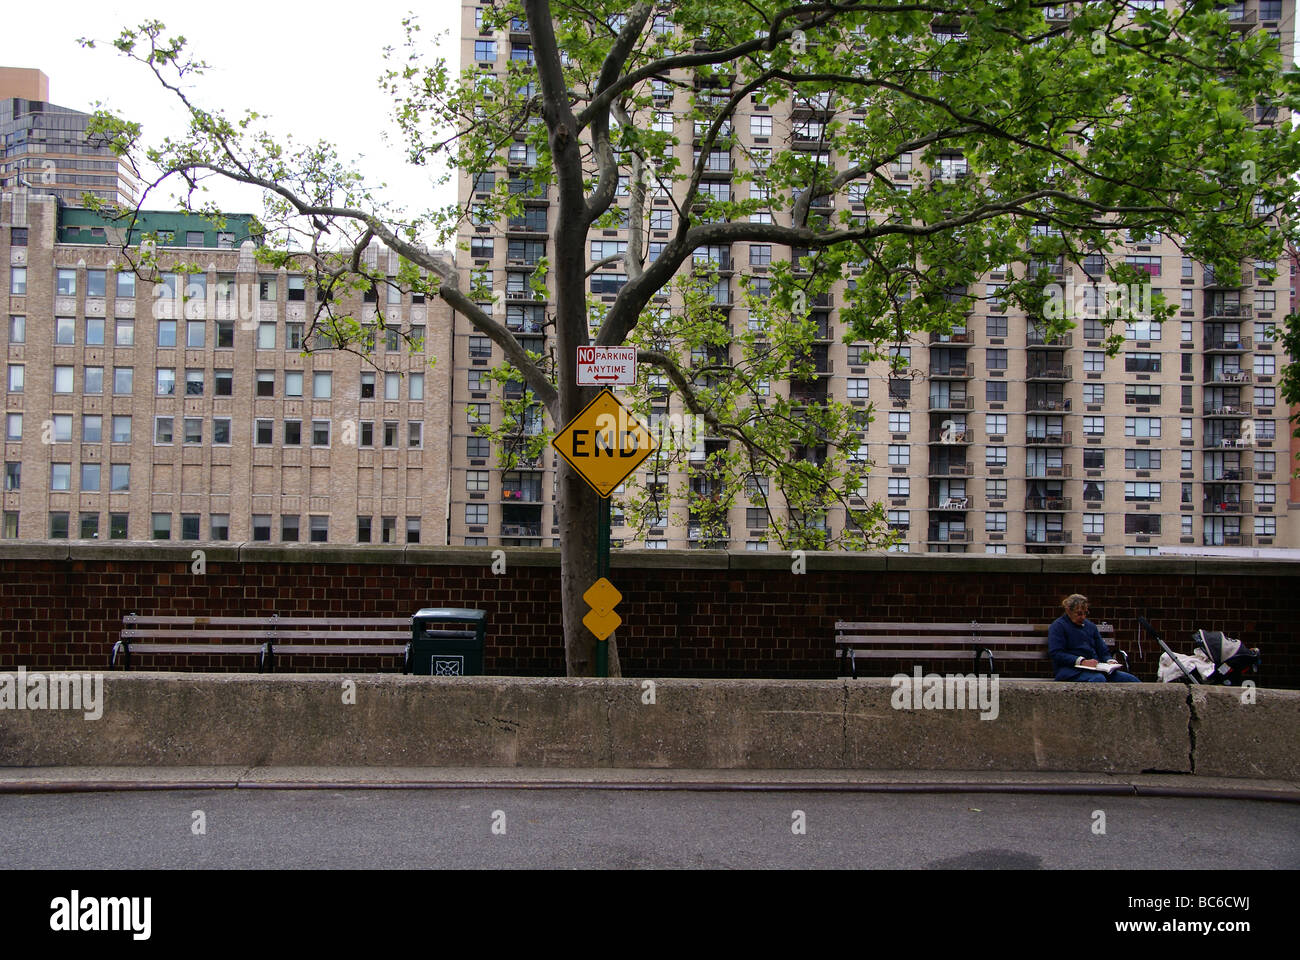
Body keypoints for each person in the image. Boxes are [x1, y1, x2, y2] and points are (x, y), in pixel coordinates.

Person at [1048, 594, 1140, 682]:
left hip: (1095, 668)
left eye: (1085, 613)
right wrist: (1082, 661)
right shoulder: (1058, 626)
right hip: (1070, 669)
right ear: (1068, 611)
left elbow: (1102, 650)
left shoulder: (1090, 626)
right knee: (1098, 679)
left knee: (1131, 680)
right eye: (1079, 614)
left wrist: (1109, 661)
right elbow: (1056, 653)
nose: (1083, 617)